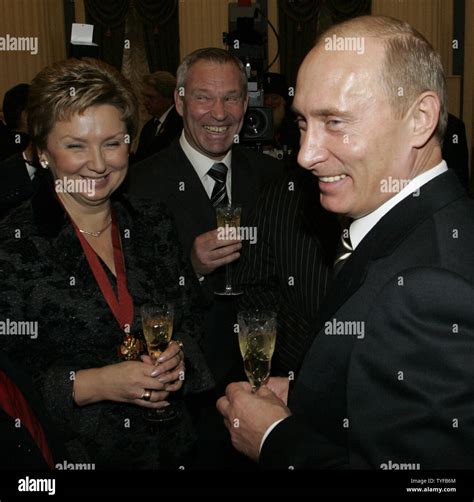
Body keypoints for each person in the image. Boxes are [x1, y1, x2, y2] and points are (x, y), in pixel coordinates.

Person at [217, 15, 474, 469]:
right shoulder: (417, 223)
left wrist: (275, 437)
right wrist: (308, 392)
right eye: (302, 124)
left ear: (420, 119)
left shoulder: (430, 285)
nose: (306, 154)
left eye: (335, 122)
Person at [0, 57, 213, 469]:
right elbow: (10, 385)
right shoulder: (12, 244)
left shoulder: (152, 221)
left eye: (113, 143)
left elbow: (193, 321)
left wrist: (178, 361)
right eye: (75, 145)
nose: (99, 164)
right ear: (43, 152)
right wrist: (93, 384)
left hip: (173, 451)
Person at [128, 47, 282, 468]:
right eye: (203, 97)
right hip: (186, 398)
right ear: (179, 102)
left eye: (231, 98)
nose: (218, 112)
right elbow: (130, 300)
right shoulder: (139, 184)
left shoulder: (274, 179)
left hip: (266, 387)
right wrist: (190, 267)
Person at [235, 167, 339, 377]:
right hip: (295, 375)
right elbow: (254, 291)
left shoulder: (405, 200)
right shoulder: (280, 195)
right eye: (303, 132)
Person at [133, 71, 182, 163]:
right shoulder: (148, 127)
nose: (145, 102)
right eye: (144, 97)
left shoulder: (180, 123)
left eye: (151, 97)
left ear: (168, 98)